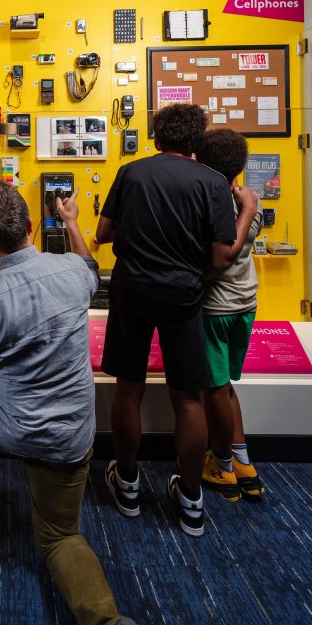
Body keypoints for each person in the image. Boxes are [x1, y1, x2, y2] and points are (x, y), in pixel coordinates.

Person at [0, 183, 142, 625]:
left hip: (12, 425)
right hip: (70, 434)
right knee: (61, 537)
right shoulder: (72, 272)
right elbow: (89, 264)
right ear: (30, 226)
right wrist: (70, 221)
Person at [95, 103, 258, 538]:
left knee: (127, 388)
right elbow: (224, 255)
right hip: (184, 295)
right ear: (196, 142)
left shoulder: (131, 173)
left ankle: (127, 487)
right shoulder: (210, 182)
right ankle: (190, 502)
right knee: (187, 398)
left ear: (156, 137)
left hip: (131, 290)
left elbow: (104, 233)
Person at [195, 129, 265, 501]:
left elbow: (223, 256)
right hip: (245, 305)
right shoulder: (249, 197)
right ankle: (243, 462)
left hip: (216, 308)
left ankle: (221, 465)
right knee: (225, 386)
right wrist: (250, 208)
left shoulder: (217, 202)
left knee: (215, 389)